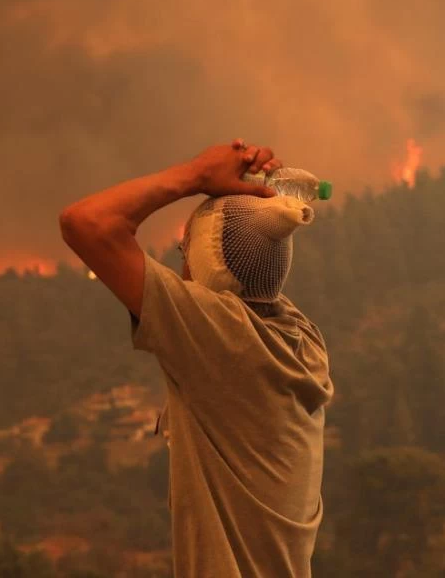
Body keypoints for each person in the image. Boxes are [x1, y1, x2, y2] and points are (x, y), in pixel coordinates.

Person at [59, 139, 333, 577]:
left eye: (185, 255)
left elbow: (85, 223)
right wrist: (248, 198)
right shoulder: (300, 339)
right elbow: (250, 266)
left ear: (207, 265)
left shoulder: (220, 336)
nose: (182, 271)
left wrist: (196, 176)